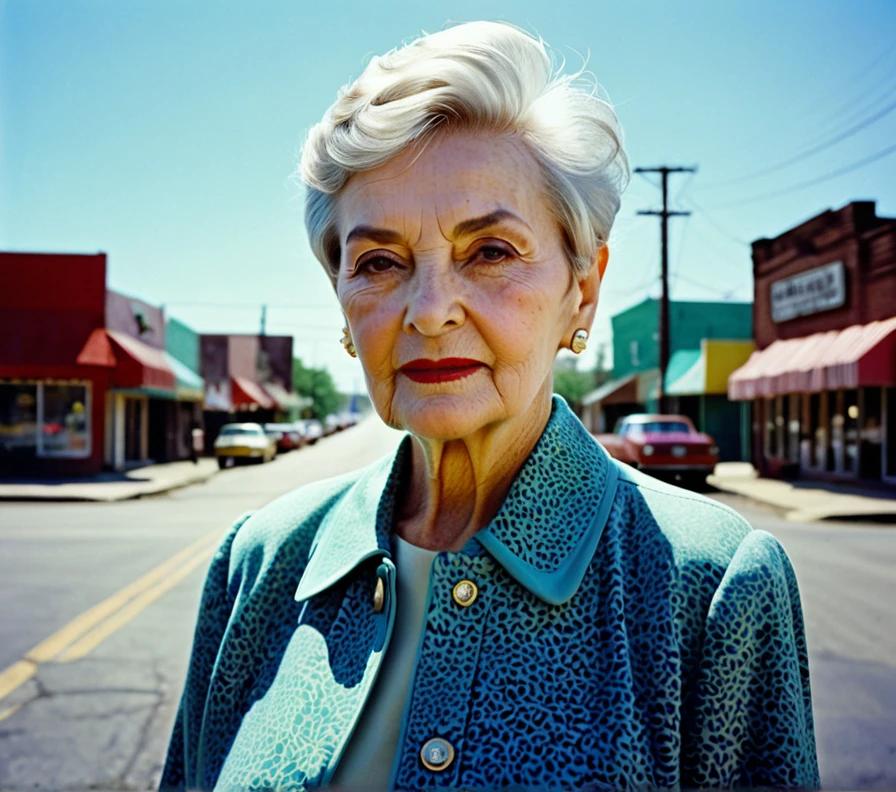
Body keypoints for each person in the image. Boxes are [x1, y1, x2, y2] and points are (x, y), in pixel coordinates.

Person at [161, 21, 819, 791]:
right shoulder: (260, 563)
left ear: (584, 286)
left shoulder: (710, 592)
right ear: (341, 303)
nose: (431, 309)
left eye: (491, 252)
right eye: (379, 262)